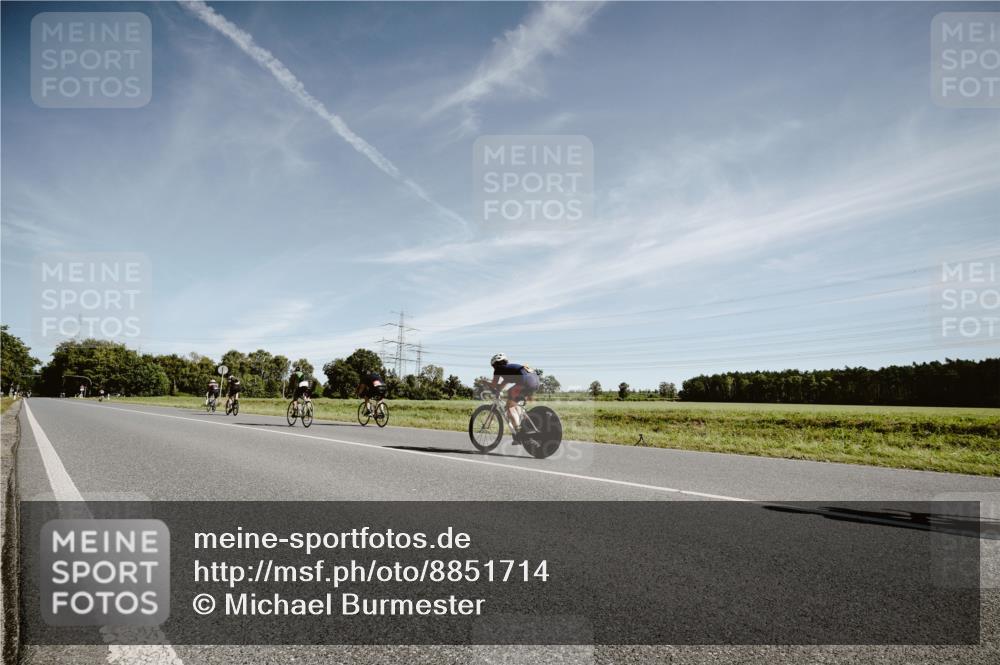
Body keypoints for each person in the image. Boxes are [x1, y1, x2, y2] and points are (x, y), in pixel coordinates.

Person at [488, 353, 540, 441]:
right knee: (514, 403)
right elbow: (501, 385)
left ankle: (519, 432)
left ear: (496, 364)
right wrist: (498, 391)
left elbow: (493, 385)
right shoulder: (509, 370)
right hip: (535, 383)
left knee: (509, 406)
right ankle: (523, 426)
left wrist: (483, 382)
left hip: (524, 382)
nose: (494, 368)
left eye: (493, 366)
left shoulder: (499, 369)